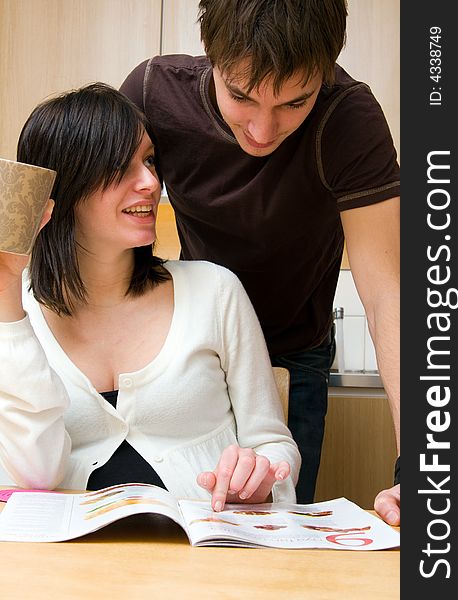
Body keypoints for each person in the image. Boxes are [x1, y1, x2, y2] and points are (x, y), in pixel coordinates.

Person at [120, 0, 400, 524]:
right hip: (190, 348)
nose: (263, 131)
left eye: (295, 103)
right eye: (241, 96)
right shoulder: (155, 93)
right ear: (211, 55)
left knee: (279, 525)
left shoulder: (349, 120)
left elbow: (391, 295)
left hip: (297, 346)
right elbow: (98, 214)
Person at [0, 83, 300, 512]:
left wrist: (262, 474)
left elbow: (273, 443)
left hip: (207, 555)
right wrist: (7, 301)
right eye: (121, 166)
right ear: (64, 187)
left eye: (150, 161)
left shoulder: (215, 291)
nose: (151, 183)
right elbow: (30, 480)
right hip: (67, 567)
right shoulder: (14, 308)